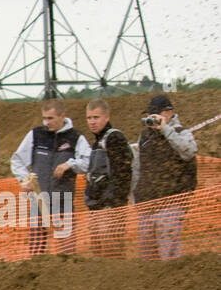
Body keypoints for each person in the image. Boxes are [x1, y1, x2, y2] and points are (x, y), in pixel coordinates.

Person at [10, 100, 91, 257]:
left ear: (62, 116)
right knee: (36, 251)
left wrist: (70, 164)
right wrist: (24, 179)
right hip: (39, 199)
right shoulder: (36, 134)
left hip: (63, 200)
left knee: (67, 252)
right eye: (45, 118)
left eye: (51, 118)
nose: (47, 122)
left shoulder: (76, 137)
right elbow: (17, 159)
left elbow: (88, 162)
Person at [135, 94, 197, 260]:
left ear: (169, 113)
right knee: (146, 254)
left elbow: (189, 151)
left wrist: (166, 130)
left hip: (172, 200)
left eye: (156, 113)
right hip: (148, 201)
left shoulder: (181, 132)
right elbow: (138, 167)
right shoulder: (145, 136)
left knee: (167, 252)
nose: (152, 117)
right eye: (150, 114)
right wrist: (136, 194)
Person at [83, 99, 134, 259]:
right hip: (96, 205)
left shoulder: (114, 138)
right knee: (98, 252)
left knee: (111, 251)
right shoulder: (97, 141)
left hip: (110, 206)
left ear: (106, 117)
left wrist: (111, 203)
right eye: (89, 118)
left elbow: (123, 173)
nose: (92, 122)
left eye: (96, 117)